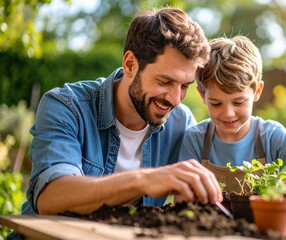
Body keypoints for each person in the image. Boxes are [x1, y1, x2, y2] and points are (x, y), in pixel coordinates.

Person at [18, 7, 223, 218]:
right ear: (130, 64)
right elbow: (51, 197)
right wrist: (145, 180)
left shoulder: (181, 122)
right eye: (164, 81)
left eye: (184, 86)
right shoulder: (67, 107)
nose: (175, 98)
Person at [178, 36, 286, 192]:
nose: (228, 113)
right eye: (216, 103)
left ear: (257, 91)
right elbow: (182, 196)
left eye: (238, 102)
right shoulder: (195, 139)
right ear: (203, 96)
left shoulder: (271, 136)